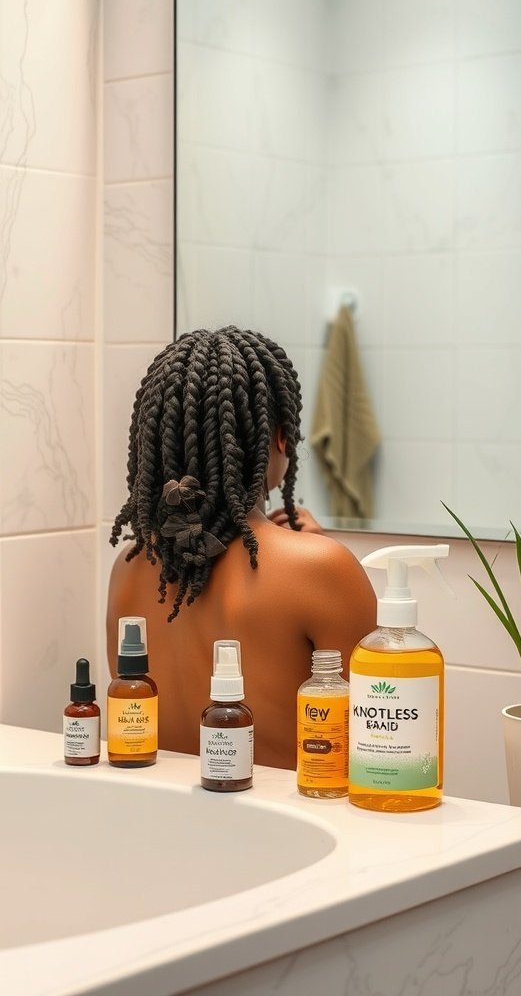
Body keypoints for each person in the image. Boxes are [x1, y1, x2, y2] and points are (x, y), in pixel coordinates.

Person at [106, 327, 376, 770]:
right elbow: (373, 747)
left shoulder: (129, 565)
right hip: (293, 830)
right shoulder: (322, 569)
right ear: (281, 437)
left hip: (153, 824)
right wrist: (315, 555)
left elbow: (133, 725)